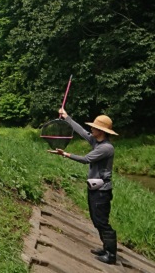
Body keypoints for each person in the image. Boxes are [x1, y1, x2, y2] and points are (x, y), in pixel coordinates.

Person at [49, 109, 118, 265]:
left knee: (102, 222)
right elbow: (82, 132)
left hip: (102, 191)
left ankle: (111, 254)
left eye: (94, 127)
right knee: (96, 219)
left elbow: (86, 159)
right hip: (95, 188)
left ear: (101, 131)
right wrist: (67, 118)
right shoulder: (97, 141)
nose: (91, 129)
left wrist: (65, 154)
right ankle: (105, 248)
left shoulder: (106, 148)